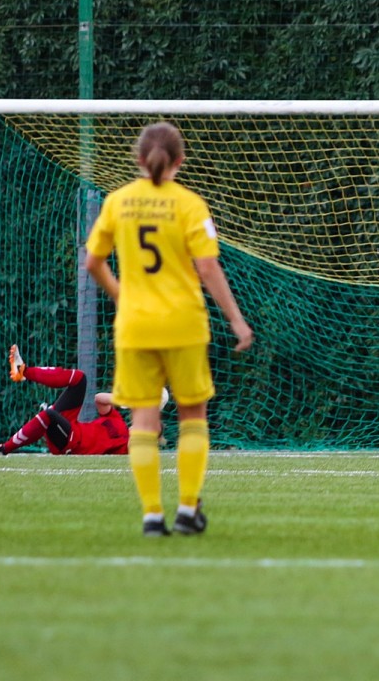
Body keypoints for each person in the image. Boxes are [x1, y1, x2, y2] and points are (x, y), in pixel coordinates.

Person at [85, 121, 253, 538]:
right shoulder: (190, 205)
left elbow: (93, 261)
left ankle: (152, 515)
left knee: (143, 418)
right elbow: (208, 267)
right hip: (183, 324)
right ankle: (188, 509)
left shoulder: (118, 202)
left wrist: (121, 295)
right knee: (192, 414)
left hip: (136, 325)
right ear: (180, 160)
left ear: (139, 159)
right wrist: (236, 319)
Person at [0, 344, 130, 456]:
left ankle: (3, 449)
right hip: (72, 425)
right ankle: (23, 371)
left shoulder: (127, 445)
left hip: (71, 443)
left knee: (49, 415)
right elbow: (99, 399)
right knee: (79, 378)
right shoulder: (118, 420)